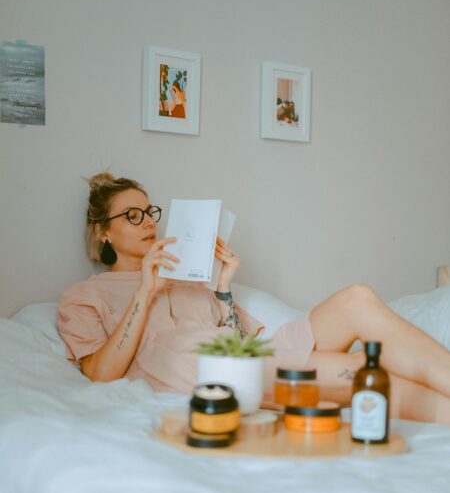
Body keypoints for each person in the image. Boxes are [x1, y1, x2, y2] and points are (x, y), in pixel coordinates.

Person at [57, 173, 450, 424]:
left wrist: (223, 287)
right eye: (132, 216)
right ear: (103, 232)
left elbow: (241, 344)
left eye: (150, 211)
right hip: (203, 373)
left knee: (358, 298)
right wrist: (145, 290)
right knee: (366, 369)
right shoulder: (85, 295)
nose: (149, 222)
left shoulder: (188, 281)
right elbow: (100, 375)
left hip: (249, 359)